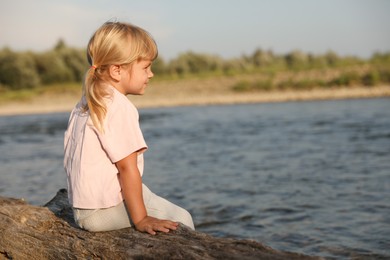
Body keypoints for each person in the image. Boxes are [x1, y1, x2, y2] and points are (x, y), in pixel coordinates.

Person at [63, 21, 194, 235]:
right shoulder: (118, 106)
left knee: (148, 194)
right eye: (145, 67)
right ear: (117, 70)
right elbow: (127, 168)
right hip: (103, 211)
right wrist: (141, 219)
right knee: (182, 218)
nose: (151, 74)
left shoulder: (87, 101)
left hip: (83, 208)